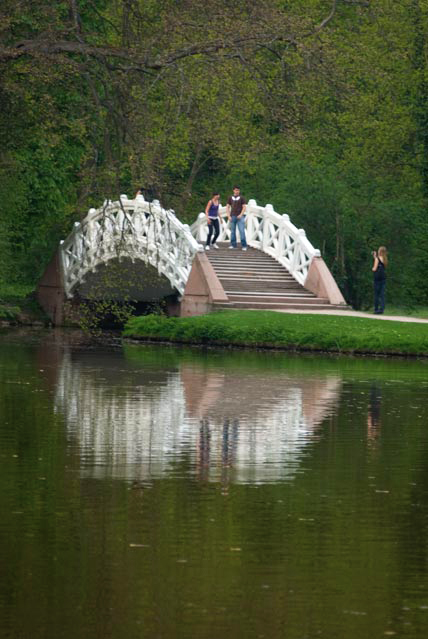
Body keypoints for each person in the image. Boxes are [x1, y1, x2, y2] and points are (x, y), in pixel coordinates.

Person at [226, 186, 247, 250]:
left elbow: (244, 207)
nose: (237, 191)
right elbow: (227, 207)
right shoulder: (230, 198)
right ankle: (233, 245)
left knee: (242, 231)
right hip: (233, 216)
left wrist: (241, 214)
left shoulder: (242, 198)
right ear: (233, 191)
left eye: (238, 190)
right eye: (236, 190)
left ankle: (244, 245)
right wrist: (228, 216)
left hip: (240, 216)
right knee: (232, 231)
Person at [372, 246, 388, 314]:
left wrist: (372, 268)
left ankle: (376, 309)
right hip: (383, 278)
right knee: (382, 294)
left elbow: (374, 268)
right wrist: (375, 257)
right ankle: (382, 309)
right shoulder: (385, 259)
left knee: (376, 294)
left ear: (380, 251)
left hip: (377, 278)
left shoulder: (377, 259)